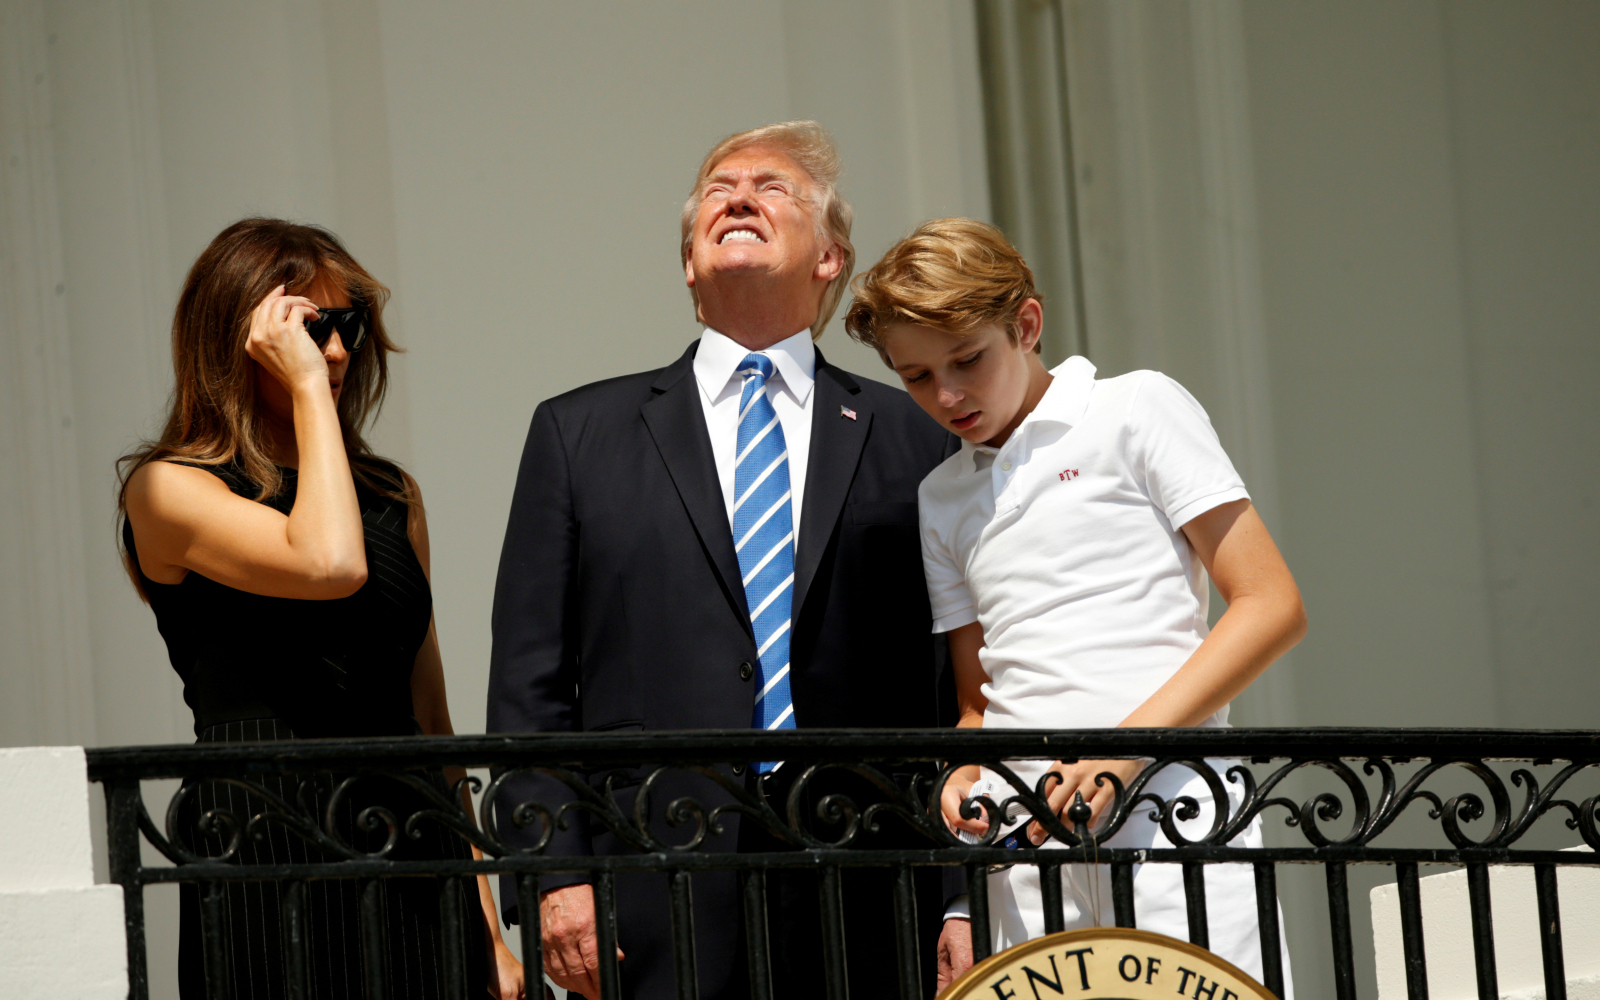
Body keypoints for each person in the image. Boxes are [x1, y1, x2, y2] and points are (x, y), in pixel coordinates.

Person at [486, 121, 959, 999]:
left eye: (772, 188)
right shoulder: (577, 433)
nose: (738, 194)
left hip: (867, 889)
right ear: (689, 264)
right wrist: (554, 878)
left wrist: (961, 899)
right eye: (718, 188)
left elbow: (952, 689)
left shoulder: (916, 437)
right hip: (650, 889)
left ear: (830, 259)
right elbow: (529, 692)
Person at [844, 218, 1305, 992]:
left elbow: (1271, 604)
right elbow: (975, 703)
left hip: (1177, 816)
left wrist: (1124, 753)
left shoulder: (1135, 408)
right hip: (1024, 855)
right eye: (917, 376)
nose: (947, 394)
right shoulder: (940, 496)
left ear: (1027, 324)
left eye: (967, 359)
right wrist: (961, 775)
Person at [119, 218, 524, 1000]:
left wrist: (485, 921)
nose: (336, 351)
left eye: (348, 326)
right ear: (242, 338)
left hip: (410, 850)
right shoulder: (166, 489)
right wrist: (308, 390)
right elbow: (328, 562)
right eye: (311, 329)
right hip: (266, 857)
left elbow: (429, 720)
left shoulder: (390, 496)